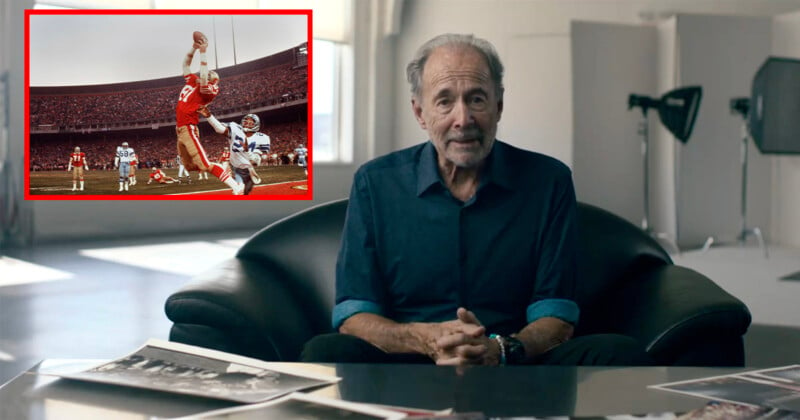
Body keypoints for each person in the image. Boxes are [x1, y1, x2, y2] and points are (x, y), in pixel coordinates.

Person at [300, 34, 653, 367]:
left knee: (620, 353)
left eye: (477, 99)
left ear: (498, 106)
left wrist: (499, 349)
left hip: (514, 362)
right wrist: (426, 339)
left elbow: (555, 315)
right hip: (409, 361)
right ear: (420, 113)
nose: (463, 119)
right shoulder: (375, 183)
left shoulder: (549, 182)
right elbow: (354, 315)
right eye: (444, 101)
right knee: (325, 352)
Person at [175, 31, 243, 195]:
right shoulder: (193, 80)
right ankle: (220, 170)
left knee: (205, 165)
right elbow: (185, 64)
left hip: (189, 127)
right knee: (190, 166)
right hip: (180, 130)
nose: (207, 72)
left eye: (211, 74)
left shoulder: (209, 89)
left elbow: (204, 78)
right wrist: (194, 48)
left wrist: (203, 52)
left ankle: (235, 186)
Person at [199, 107, 263, 195]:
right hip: (234, 167)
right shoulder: (236, 128)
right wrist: (209, 116)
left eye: (251, 123)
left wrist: (248, 152)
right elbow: (220, 129)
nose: (247, 124)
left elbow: (256, 162)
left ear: (256, 125)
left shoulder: (259, 139)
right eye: (246, 121)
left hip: (247, 170)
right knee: (238, 191)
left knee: (243, 192)